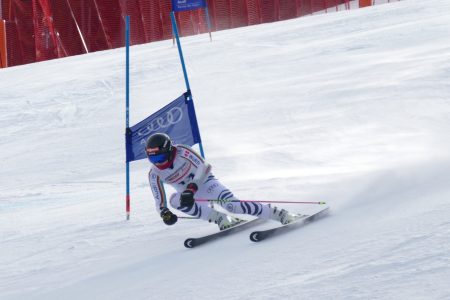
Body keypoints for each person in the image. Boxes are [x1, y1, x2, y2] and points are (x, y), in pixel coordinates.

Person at [146, 133, 297, 230]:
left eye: (159, 157)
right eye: (153, 159)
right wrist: (164, 213)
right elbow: (159, 200)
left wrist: (192, 188)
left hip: (205, 184)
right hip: (189, 196)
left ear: (169, 150)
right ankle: (221, 219)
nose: (157, 162)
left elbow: (205, 166)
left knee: (233, 206)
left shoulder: (182, 151)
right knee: (174, 201)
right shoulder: (154, 173)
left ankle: (280, 214)